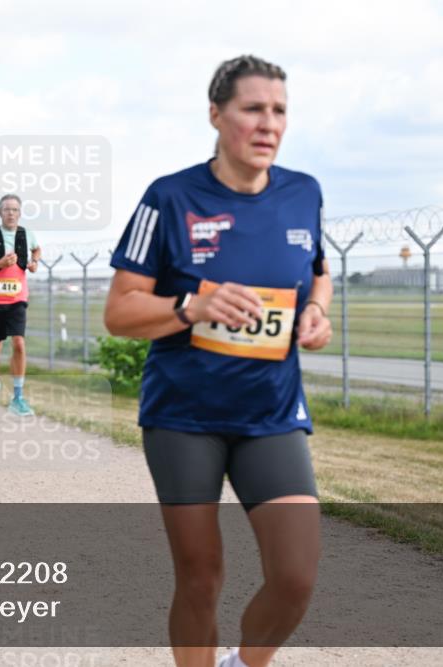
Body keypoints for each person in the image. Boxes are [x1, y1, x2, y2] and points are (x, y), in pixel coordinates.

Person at [103, 56, 333, 667]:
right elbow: (120, 312)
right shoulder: (171, 196)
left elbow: (318, 274)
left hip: (272, 414)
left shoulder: (303, 193)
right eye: (252, 109)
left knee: (296, 576)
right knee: (201, 577)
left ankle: (244, 663)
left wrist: (317, 313)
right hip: (184, 416)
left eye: (279, 110)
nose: (269, 124)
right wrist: (193, 305)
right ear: (216, 114)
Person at [0, 193, 42, 416]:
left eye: (15, 209)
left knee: (19, 343)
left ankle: (18, 396)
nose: (11, 213)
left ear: (20, 213)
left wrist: (34, 262)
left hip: (18, 299)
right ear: (0, 212)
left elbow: (37, 249)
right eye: (7, 209)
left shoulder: (27, 235)